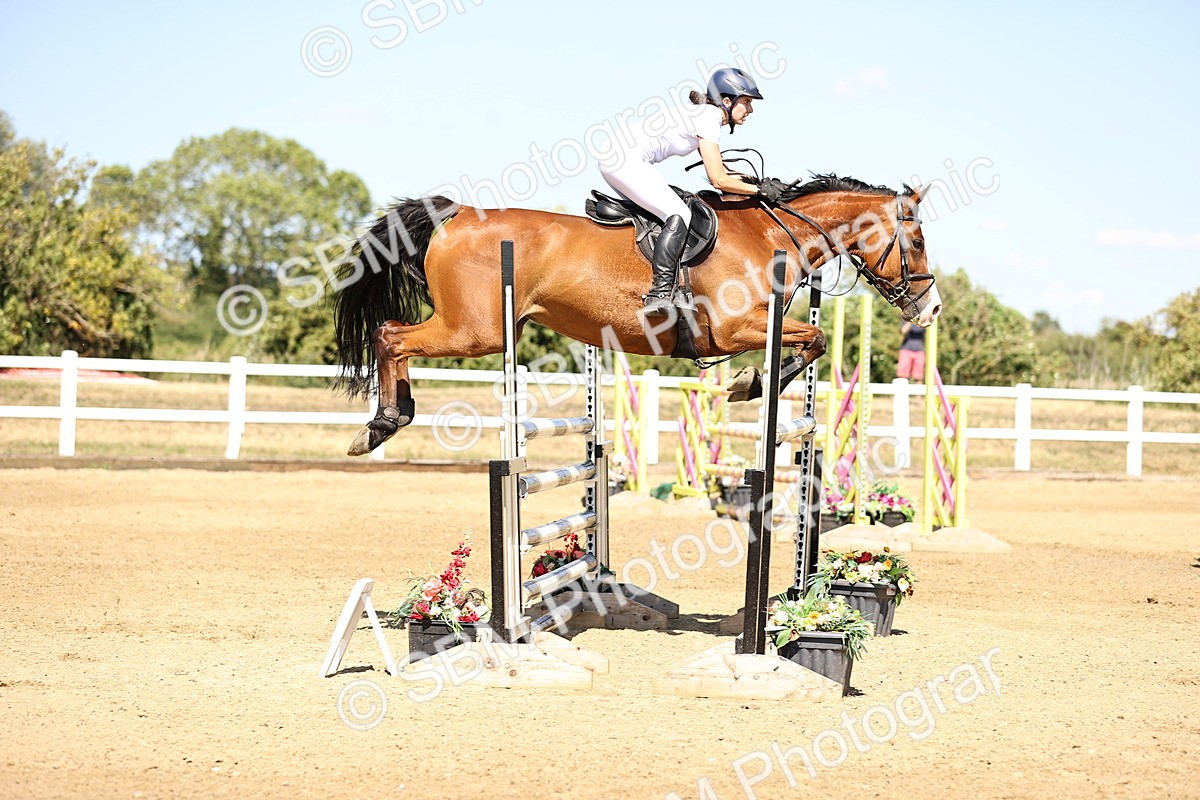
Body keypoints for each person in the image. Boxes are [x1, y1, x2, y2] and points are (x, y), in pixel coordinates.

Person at [599, 67, 787, 317]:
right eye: (747, 102)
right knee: (679, 213)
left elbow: (723, 170)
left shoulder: (705, 116)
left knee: (672, 208)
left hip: (616, 157)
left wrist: (761, 184)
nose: (751, 110)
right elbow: (718, 180)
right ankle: (660, 293)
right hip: (624, 160)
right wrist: (758, 192)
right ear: (727, 101)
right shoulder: (709, 119)